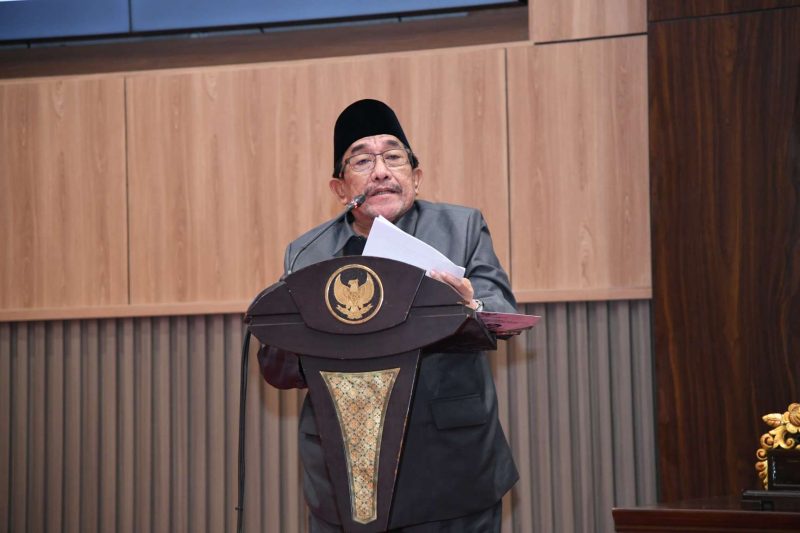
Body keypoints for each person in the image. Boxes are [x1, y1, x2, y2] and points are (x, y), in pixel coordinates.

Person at [258, 99, 518, 532]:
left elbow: (501, 310)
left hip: (450, 463)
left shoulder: (461, 228)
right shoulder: (307, 253)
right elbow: (279, 366)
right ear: (340, 189)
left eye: (393, 157)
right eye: (362, 160)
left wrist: (470, 308)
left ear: (415, 176)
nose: (381, 171)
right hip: (342, 470)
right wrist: (283, 329)